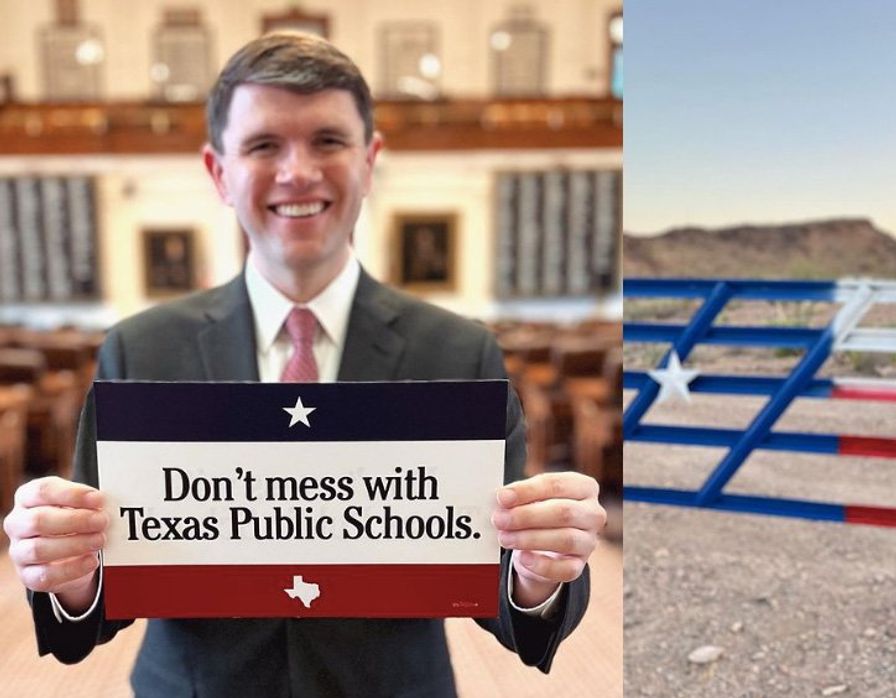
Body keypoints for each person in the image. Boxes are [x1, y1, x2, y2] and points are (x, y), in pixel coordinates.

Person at [2, 32, 606, 697]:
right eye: (264, 145)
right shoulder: (140, 349)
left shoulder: (460, 352)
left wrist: (537, 572)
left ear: (369, 162)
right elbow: (98, 595)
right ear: (218, 172)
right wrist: (68, 573)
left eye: (327, 140)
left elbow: (498, 586)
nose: (297, 171)